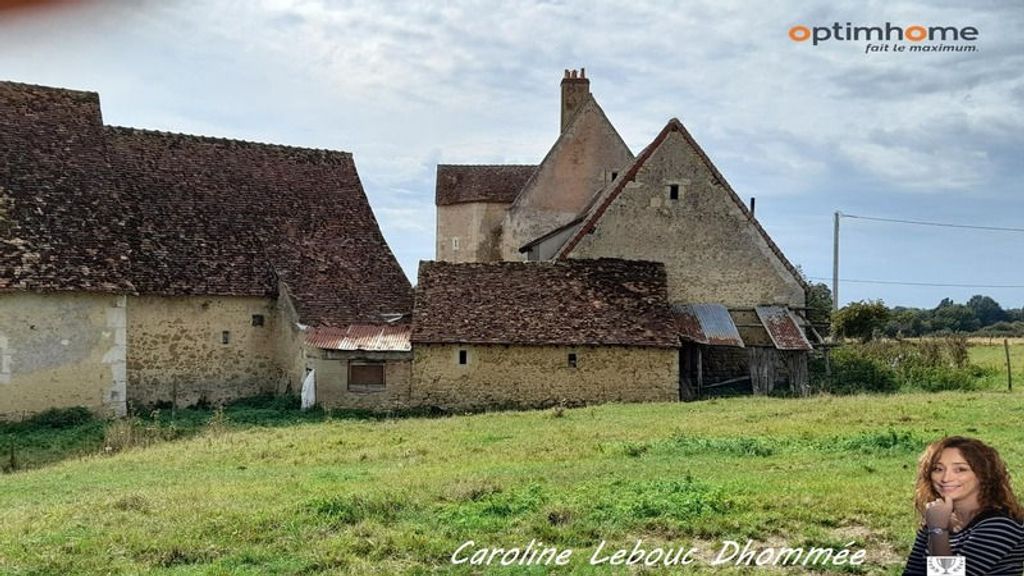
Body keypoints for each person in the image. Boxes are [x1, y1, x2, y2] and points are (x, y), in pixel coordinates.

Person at [903, 436, 1024, 576]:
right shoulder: (937, 516)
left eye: (960, 469)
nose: (946, 478)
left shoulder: (1001, 524)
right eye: (938, 469)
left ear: (983, 474)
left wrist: (938, 531)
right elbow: (912, 572)